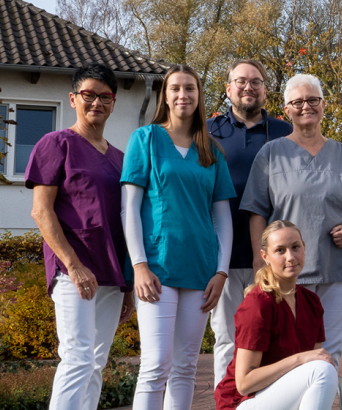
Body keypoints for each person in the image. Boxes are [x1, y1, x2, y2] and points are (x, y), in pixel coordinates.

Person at [120, 64, 236, 410]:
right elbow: (129, 208)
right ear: (165, 96)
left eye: (190, 88)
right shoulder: (145, 139)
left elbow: (223, 219)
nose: (183, 95)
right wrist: (139, 265)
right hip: (157, 268)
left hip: (201, 270)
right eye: (175, 88)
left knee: (186, 367)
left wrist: (221, 272)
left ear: (199, 96)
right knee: (156, 366)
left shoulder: (211, 150)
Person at [27, 64, 135, 410]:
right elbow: (41, 211)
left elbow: (125, 220)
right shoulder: (55, 144)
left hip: (111, 273)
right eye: (89, 95)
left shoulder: (120, 159)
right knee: (77, 358)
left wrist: (128, 286)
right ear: (73, 99)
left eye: (105, 97)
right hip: (73, 269)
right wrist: (73, 266)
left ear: (113, 103)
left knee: (96, 362)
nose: (96, 103)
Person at [241, 73, 342, 368]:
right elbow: (256, 212)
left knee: (328, 356)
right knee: (289, 357)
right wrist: (260, 262)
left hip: (338, 270)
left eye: (312, 100)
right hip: (288, 272)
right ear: (287, 110)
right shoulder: (271, 154)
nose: (306, 106)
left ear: (323, 105)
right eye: (297, 102)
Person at [207, 59, 294, 387]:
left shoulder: (285, 133)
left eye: (256, 81)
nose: (248, 87)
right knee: (228, 339)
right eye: (241, 81)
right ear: (228, 88)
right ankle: (228, 403)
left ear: (265, 90)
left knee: (274, 340)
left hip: (275, 258)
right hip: (223, 258)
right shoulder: (208, 131)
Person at [215, 220, 339, 410]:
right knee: (321, 371)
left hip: (279, 397)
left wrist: (306, 361)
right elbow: (244, 383)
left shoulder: (311, 302)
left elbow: (314, 360)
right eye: (280, 250)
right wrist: (299, 359)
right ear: (265, 256)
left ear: (304, 248)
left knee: (322, 367)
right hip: (243, 401)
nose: (290, 257)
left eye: (295, 247)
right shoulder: (258, 303)